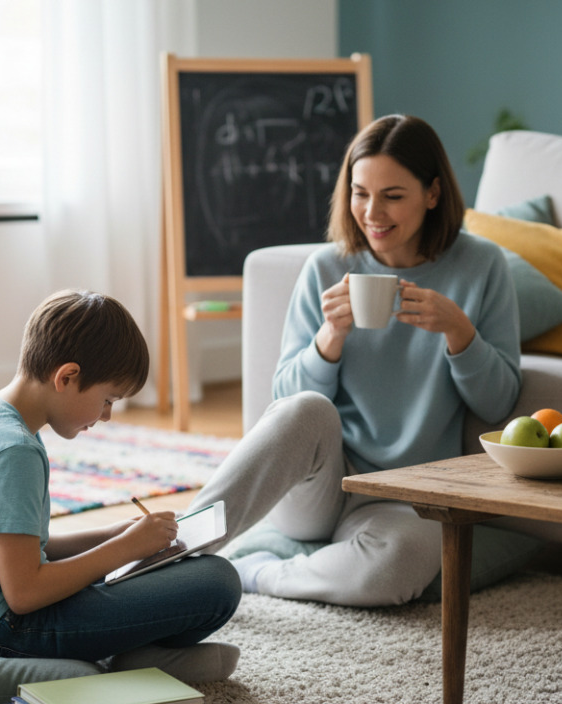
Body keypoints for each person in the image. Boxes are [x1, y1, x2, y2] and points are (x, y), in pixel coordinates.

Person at [193, 114, 524, 606]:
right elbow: (286, 407)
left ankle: (260, 573)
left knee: (399, 563)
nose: (372, 212)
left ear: (433, 193)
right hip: (317, 491)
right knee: (306, 408)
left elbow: (498, 404)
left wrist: (460, 332)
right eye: (360, 193)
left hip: (406, 498)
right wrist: (330, 337)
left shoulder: (482, 266)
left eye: (392, 195)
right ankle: (174, 548)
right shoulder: (326, 267)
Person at [0, 290, 242, 683]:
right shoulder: (13, 451)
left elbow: (24, 550)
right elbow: (25, 593)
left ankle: (142, 651)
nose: (107, 415)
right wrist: (124, 549)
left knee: (152, 568)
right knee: (217, 583)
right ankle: (141, 659)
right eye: (108, 400)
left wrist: (113, 535)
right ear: (66, 377)